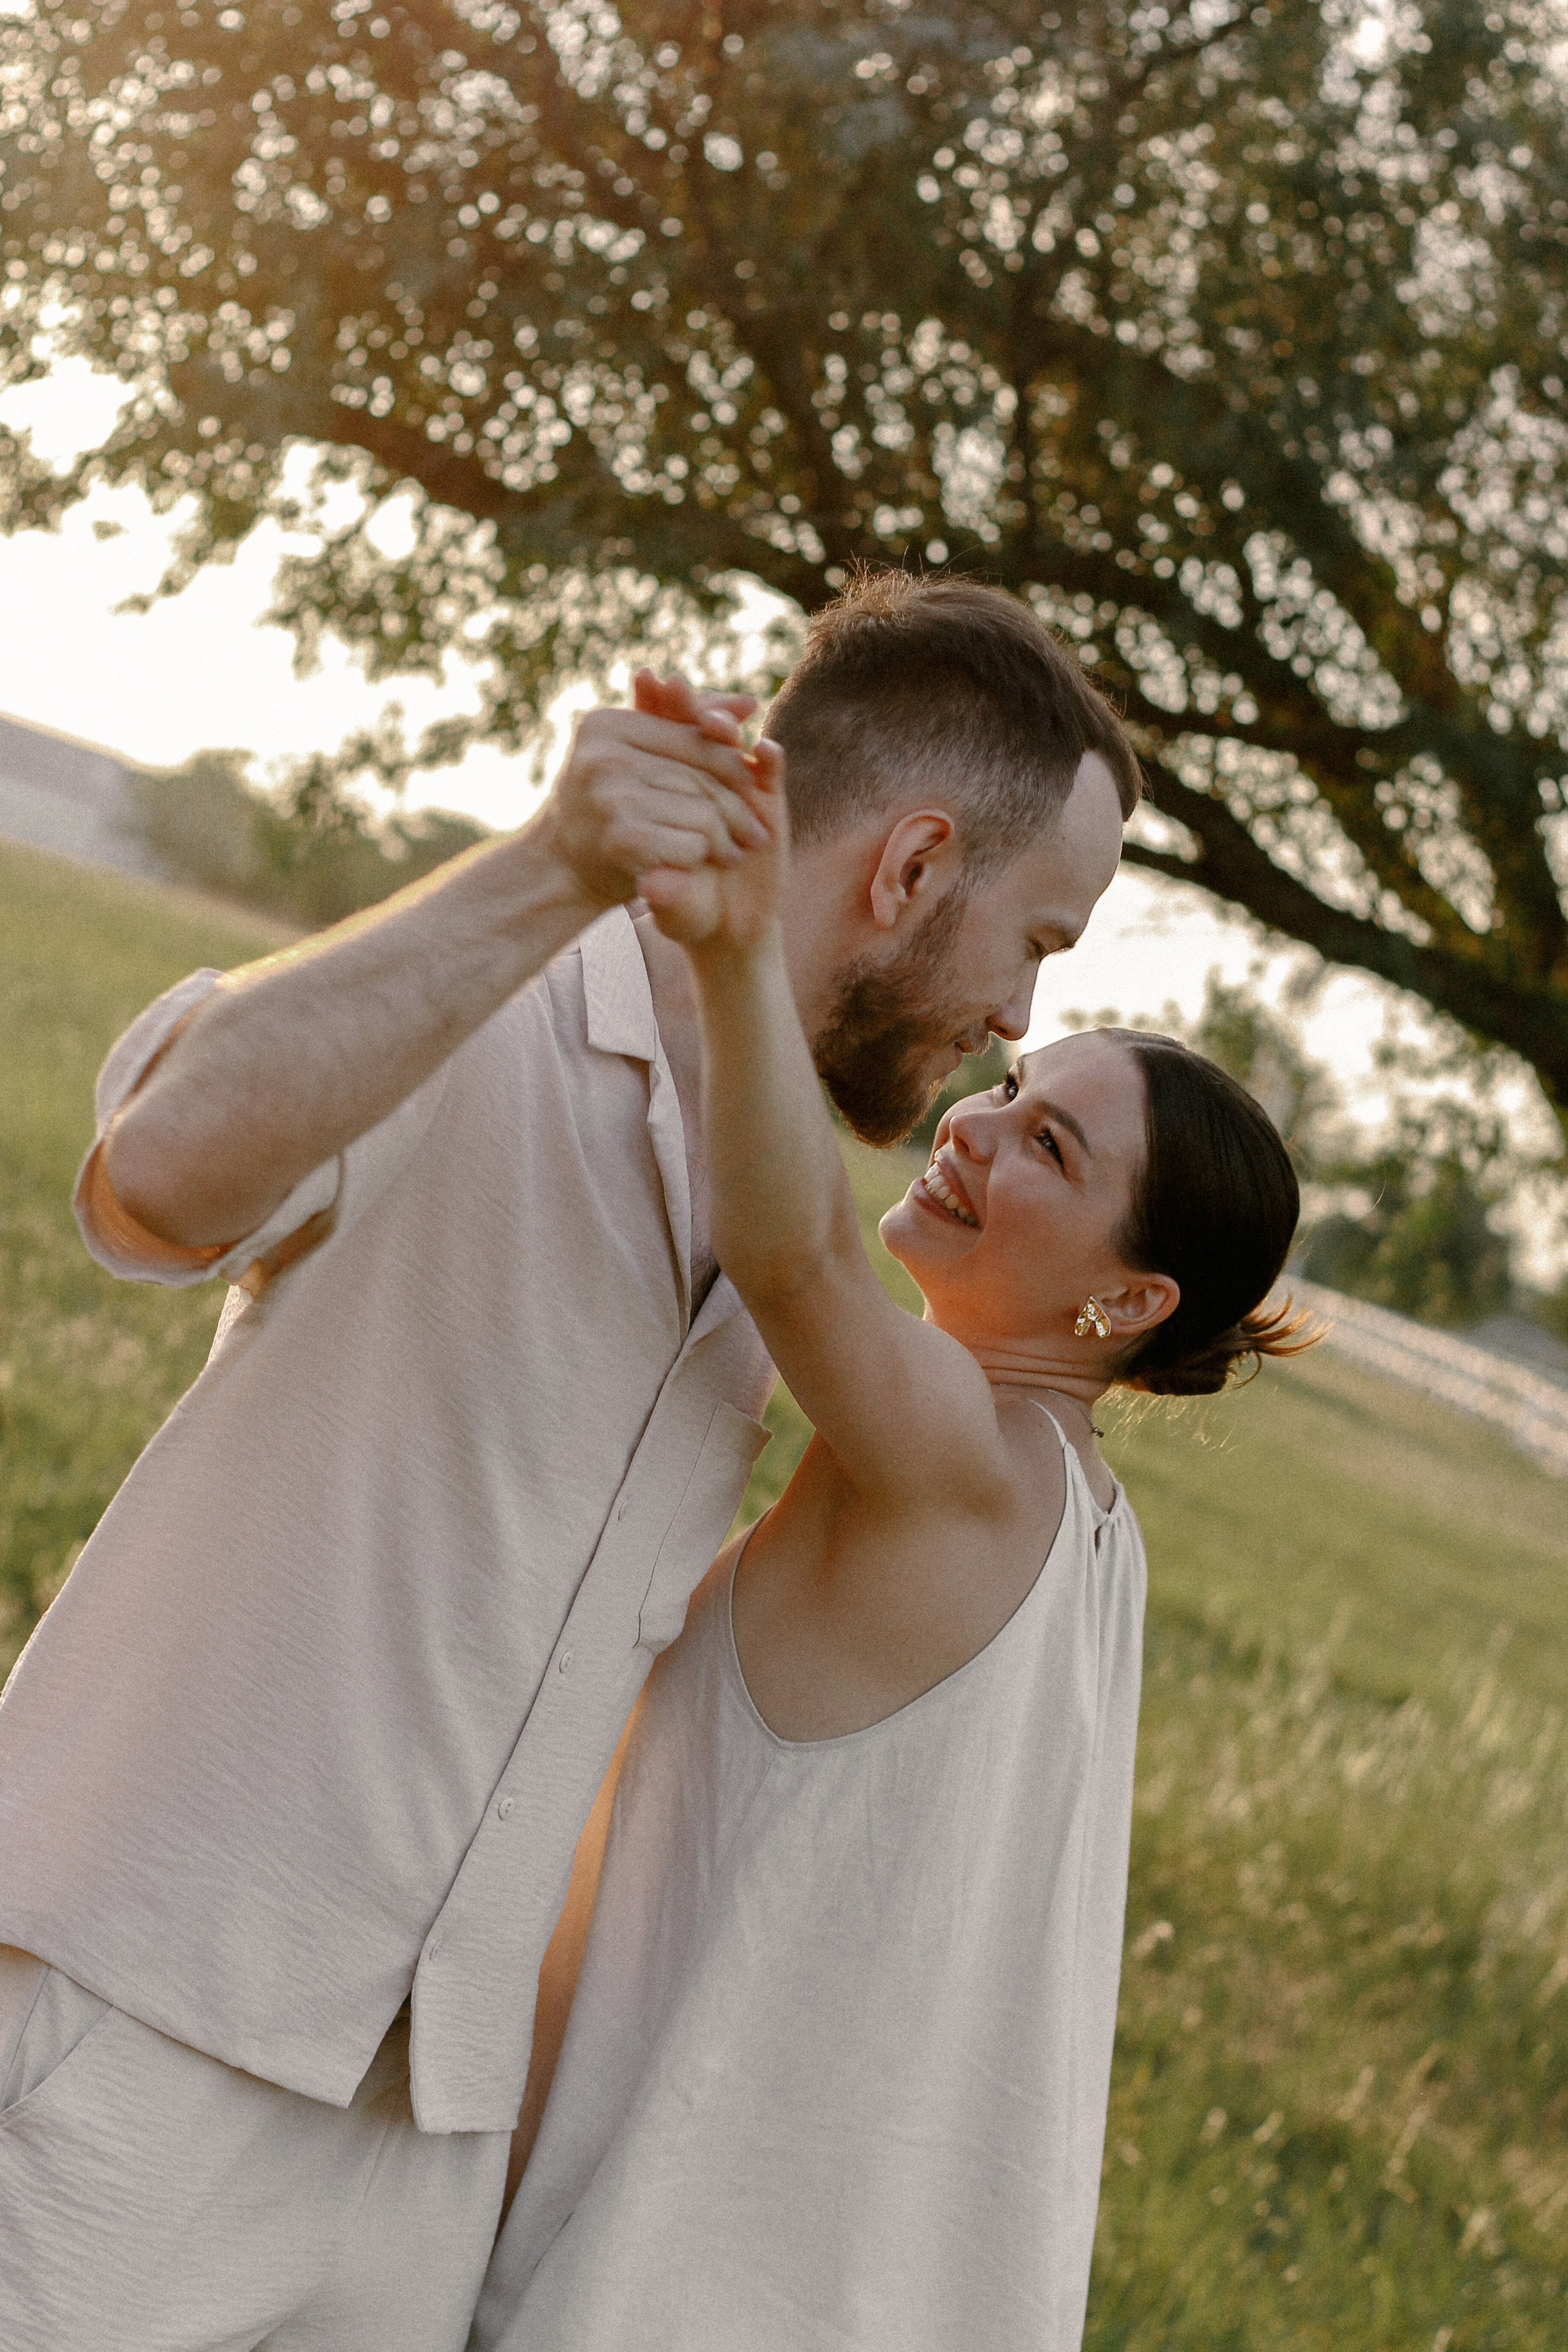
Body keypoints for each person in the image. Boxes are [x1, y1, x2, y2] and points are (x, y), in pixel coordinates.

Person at [0, 573, 1140, 2350]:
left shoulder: (791, 1229)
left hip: (428, 2154)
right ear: (913, 868)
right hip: (142, 2024)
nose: (1014, 1015)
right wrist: (552, 865)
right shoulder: (492, 1003)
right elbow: (154, 1170)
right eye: (1039, 944)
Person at [473, 735, 1310, 2351]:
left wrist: (737, 944)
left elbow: (790, 1256)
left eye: (1050, 1149)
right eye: (1012, 1094)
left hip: (650, 2290)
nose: (976, 1130)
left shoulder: (970, 1459)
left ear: (1126, 1302)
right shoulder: (1091, 1529)